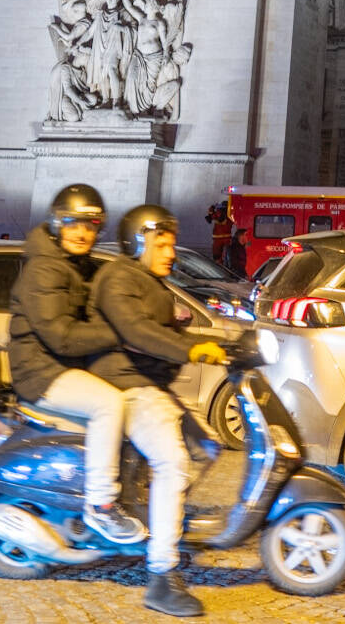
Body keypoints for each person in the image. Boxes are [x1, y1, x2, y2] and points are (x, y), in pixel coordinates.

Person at [91, 206, 228, 618]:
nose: (171, 252)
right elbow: (137, 331)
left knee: (209, 446)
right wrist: (189, 348)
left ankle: (155, 514)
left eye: (171, 244)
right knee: (174, 463)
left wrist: (222, 342)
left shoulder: (154, 284)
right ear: (138, 243)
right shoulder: (118, 278)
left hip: (151, 384)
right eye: (162, 244)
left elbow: (163, 331)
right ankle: (161, 576)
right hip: (127, 383)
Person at [6, 183, 146, 546]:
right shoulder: (45, 269)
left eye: (91, 225)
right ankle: (100, 505)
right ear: (56, 224)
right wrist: (121, 334)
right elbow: (63, 337)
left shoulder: (72, 265)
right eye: (72, 223)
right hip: (40, 371)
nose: (83, 232)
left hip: (59, 365)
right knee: (107, 404)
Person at [207, 202, 232, 267]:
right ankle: (219, 266)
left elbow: (220, 219)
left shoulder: (226, 215)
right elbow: (209, 219)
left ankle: (221, 267)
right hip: (221, 239)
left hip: (222, 239)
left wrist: (212, 212)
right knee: (218, 256)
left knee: (223, 256)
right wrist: (210, 212)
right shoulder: (228, 214)